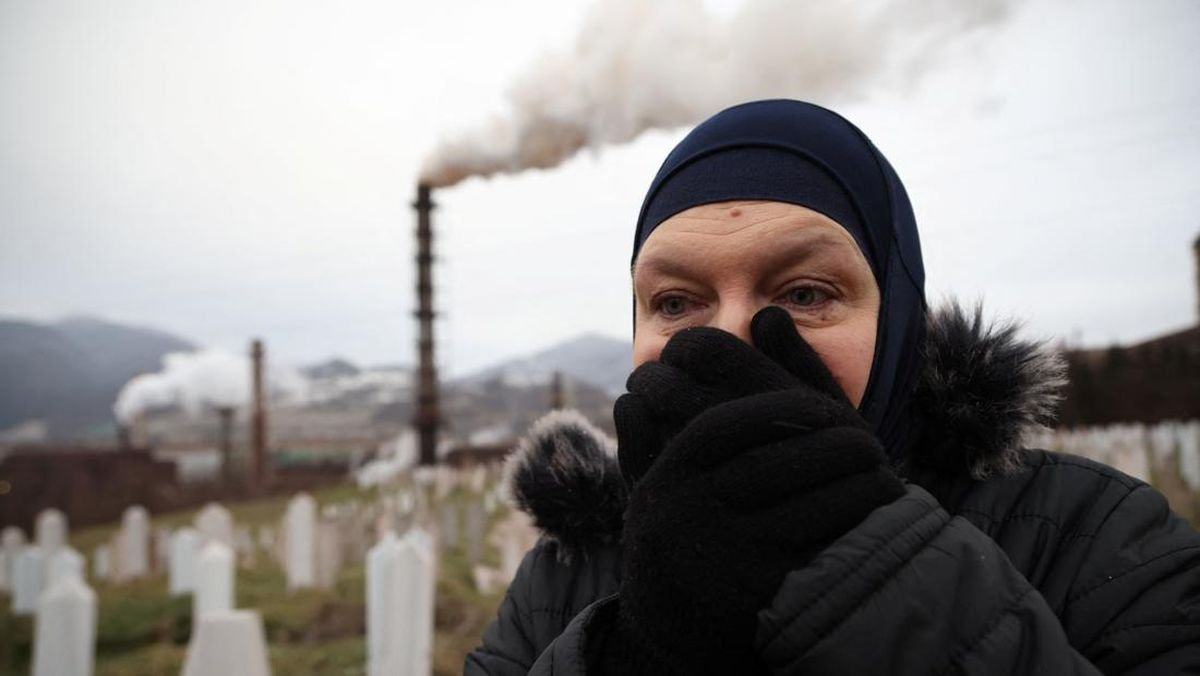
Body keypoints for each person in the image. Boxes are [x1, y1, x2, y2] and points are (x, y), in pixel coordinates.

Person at [465, 99, 1200, 674]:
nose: (726, 340)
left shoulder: (1097, 541)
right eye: (675, 302)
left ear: (898, 318)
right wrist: (643, 650)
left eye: (806, 292)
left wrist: (867, 569)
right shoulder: (565, 576)